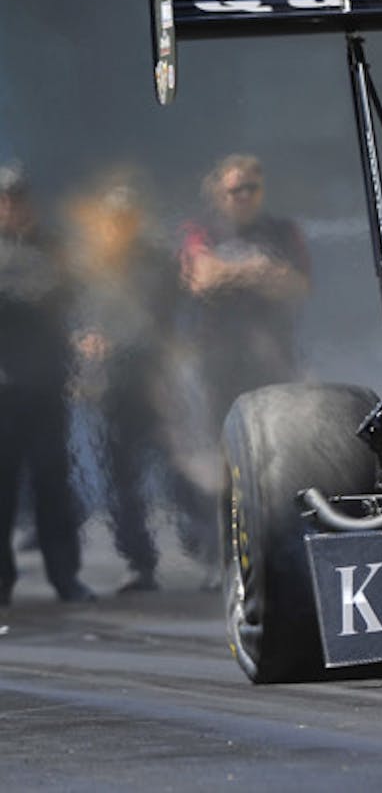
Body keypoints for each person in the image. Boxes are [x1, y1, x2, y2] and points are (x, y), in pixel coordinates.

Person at [66, 173, 181, 592]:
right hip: (110, 386)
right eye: (114, 218)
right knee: (120, 476)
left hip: (153, 379)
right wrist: (81, 339)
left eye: (126, 217)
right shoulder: (91, 266)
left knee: (179, 470)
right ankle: (140, 561)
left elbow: (165, 322)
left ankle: (208, 551)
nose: (120, 225)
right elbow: (74, 316)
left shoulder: (157, 262)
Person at [0, 163, 94, 604]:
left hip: (46, 385)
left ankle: (65, 577)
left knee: (53, 483)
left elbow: (74, 295)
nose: (10, 207)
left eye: (16, 199)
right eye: (4, 199)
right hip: (3, 389)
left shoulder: (53, 246)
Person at [179, 153, 310, 466]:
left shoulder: (283, 231)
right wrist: (258, 270)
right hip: (219, 358)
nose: (245, 196)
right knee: (225, 448)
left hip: (274, 354)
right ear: (219, 193)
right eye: (236, 190)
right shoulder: (200, 230)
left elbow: (298, 285)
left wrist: (230, 274)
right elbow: (202, 279)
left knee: (279, 446)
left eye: (252, 188)